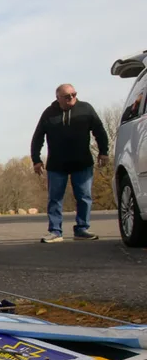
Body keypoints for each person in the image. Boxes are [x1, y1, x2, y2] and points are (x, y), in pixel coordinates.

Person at [31, 83, 109, 242]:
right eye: (67, 96)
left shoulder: (86, 109)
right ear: (58, 98)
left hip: (82, 162)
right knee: (55, 198)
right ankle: (55, 231)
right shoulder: (49, 113)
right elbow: (38, 136)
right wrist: (36, 159)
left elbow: (99, 131)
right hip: (57, 164)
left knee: (84, 197)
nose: (72, 98)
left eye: (74, 94)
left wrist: (103, 152)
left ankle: (82, 229)